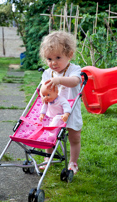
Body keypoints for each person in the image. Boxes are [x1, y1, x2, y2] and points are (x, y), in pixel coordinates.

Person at [39, 31, 83, 174]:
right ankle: (47, 159)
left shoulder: (74, 69)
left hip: (70, 110)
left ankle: (73, 163)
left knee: (74, 137)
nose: (53, 62)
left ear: (69, 55)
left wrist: (59, 80)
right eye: (49, 59)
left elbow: (75, 81)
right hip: (53, 111)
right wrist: (42, 94)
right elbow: (42, 89)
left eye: (58, 57)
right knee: (49, 135)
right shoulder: (47, 73)